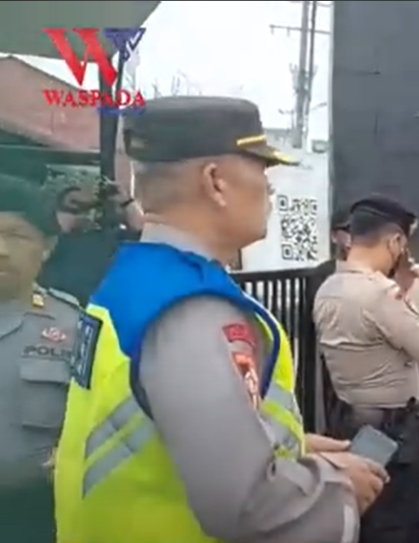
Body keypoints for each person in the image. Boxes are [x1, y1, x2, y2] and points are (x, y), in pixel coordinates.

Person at [53, 96, 387, 543]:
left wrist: (291, 448)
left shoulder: (135, 280)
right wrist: (339, 491)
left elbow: (168, 431)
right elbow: (252, 508)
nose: (270, 190)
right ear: (216, 182)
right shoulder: (192, 308)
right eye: (262, 170)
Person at [314, 195, 419, 543]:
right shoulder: (378, 295)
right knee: (395, 521)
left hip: (350, 414)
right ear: (395, 242)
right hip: (392, 428)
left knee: (367, 511)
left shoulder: (330, 286)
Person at [0, 174, 81, 543]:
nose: (1, 249)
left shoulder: (75, 327)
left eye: (16, 236)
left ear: (47, 246)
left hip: (36, 517)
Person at [37, 177, 145, 304]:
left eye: (89, 207)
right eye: (75, 204)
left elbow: (143, 232)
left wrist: (126, 202)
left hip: (96, 311)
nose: (84, 213)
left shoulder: (107, 237)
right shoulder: (46, 239)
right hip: (55, 308)